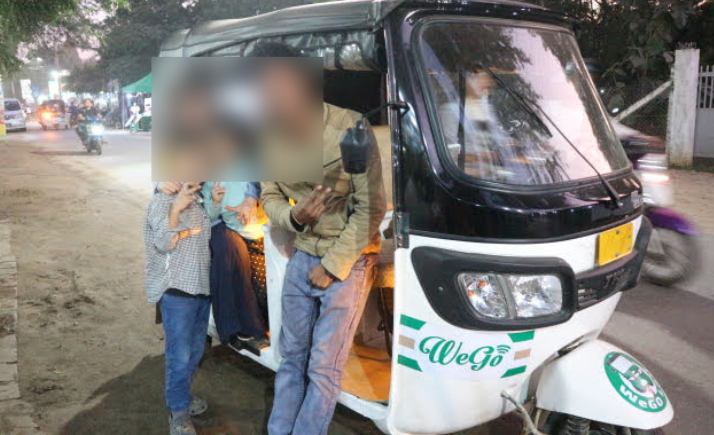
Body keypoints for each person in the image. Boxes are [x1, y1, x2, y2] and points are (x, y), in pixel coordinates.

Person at [252, 43, 387, 435]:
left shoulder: (350, 127)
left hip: (348, 261)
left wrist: (331, 268)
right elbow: (270, 196)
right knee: (291, 358)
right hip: (301, 253)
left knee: (324, 365)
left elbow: (371, 209)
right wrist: (294, 216)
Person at [157, 181, 269, 352]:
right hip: (198, 226)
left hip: (238, 225)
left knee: (262, 279)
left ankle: (252, 326)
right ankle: (241, 329)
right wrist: (160, 185)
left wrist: (250, 198)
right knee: (228, 252)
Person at [144, 181, 212, 435]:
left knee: (195, 351)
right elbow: (163, 242)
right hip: (177, 291)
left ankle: (182, 396)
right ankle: (178, 413)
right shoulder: (162, 200)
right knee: (179, 356)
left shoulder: (200, 197)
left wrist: (214, 202)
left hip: (201, 286)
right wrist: (175, 210)